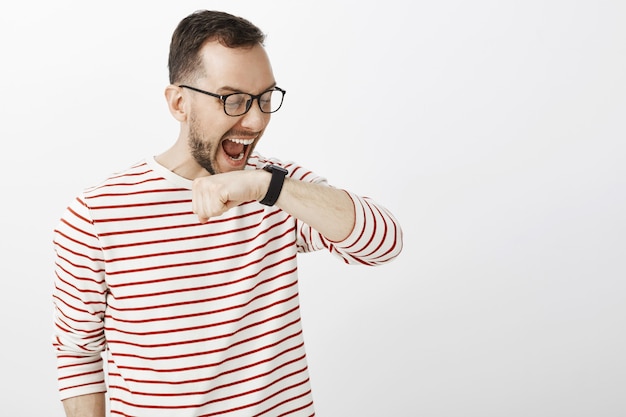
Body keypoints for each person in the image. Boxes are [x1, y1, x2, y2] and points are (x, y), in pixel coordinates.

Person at [52, 9, 403, 417]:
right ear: (179, 102)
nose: (255, 120)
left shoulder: (279, 190)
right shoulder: (96, 214)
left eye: (265, 99)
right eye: (233, 99)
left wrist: (263, 186)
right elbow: (78, 353)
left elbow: (385, 244)